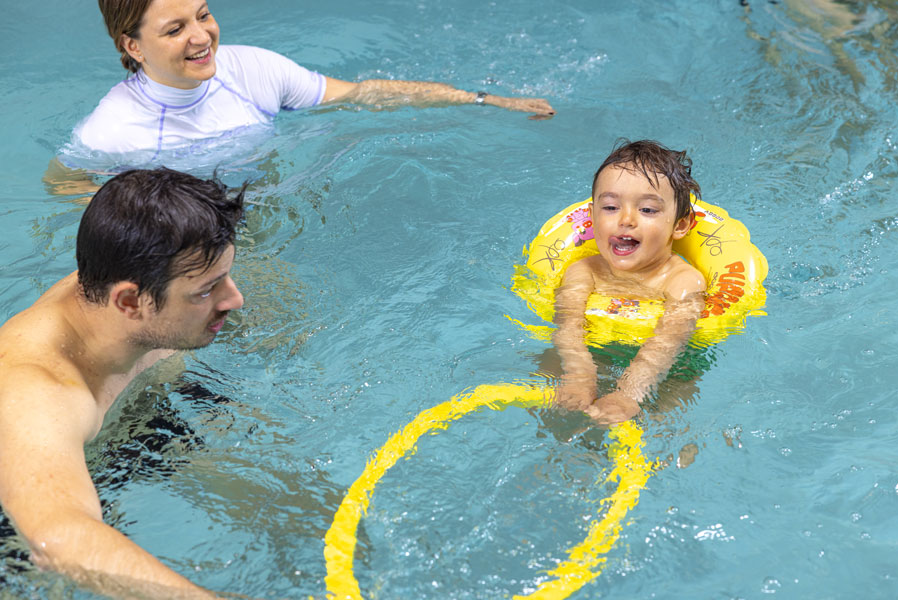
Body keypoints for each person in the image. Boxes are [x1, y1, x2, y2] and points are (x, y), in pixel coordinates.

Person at [0, 168, 246, 598]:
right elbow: (59, 539)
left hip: (135, 412)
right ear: (129, 302)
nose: (234, 299)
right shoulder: (34, 393)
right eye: (207, 291)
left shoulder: (144, 291)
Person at [72, 0, 556, 158]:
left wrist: (484, 99)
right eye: (176, 29)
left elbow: (364, 96)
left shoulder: (253, 69)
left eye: (203, 14)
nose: (203, 37)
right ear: (132, 46)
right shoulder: (113, 132)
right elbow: (69, 191)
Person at [553, 140, 706, 424]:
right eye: (610, 207)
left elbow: (667, 343)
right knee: (553, 397)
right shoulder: (583, 271)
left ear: (681, 225)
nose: (626, 220)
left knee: (671, 414)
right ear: (592, 215)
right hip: (598, 353)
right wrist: (578, 373)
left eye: (647, 210)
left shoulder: (683, 281)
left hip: (665, 371)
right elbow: (568, 326)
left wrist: (630, 393)